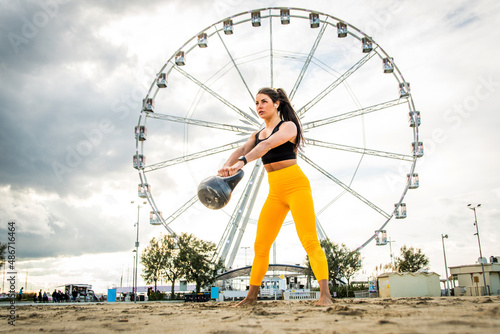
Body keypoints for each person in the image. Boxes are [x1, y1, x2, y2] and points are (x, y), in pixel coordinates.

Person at [218, 87, 333, 307]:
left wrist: (241, 163)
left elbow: (268, 145)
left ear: (276, 103)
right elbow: (242, 148)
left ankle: (325, 295)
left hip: (296, 186)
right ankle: (251, 298)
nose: (259, 106)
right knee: (261, 246)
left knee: (309, 241)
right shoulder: (257, 134)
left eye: (264, 101)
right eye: (256, 103)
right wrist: (226, 166)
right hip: (275, 191)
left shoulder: (288, 126)